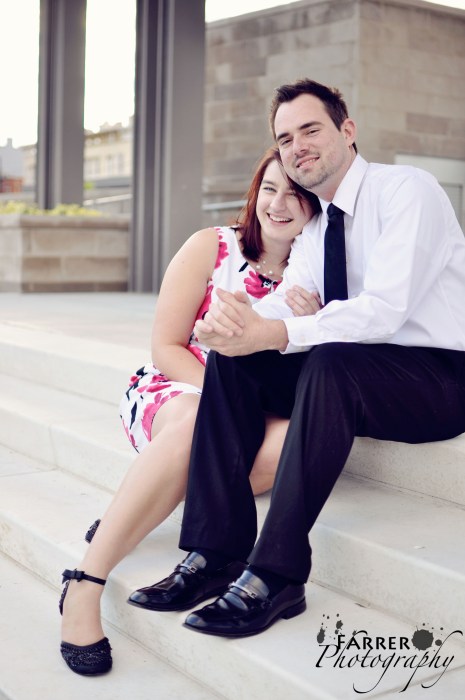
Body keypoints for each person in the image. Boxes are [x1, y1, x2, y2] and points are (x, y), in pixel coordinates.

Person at [137, 78, 465, 639]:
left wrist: (279, 327)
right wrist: (237, 324)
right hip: (356, 370)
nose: (297, 146)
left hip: (437, 378)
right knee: (237, 358)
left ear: (347, 130)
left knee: (328, 362)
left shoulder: (407, 191)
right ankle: (214, 553)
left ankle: (277, 574)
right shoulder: (318, 225)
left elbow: (383, 312)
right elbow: (289, 303)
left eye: (310, 129)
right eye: (285, 138)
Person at [58, 146, 321, 675]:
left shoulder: (320, 271)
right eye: (270, 189)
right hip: (180, 383)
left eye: (295, 194)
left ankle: (143, 501)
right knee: (200, 425)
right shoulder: (212, 246)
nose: (278, 204)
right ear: (255, 193)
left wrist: (313, 325)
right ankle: (85, 583)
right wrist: (226, 405)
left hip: (263, 402)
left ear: (316, 204)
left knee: (288, 445)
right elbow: (166, 346)